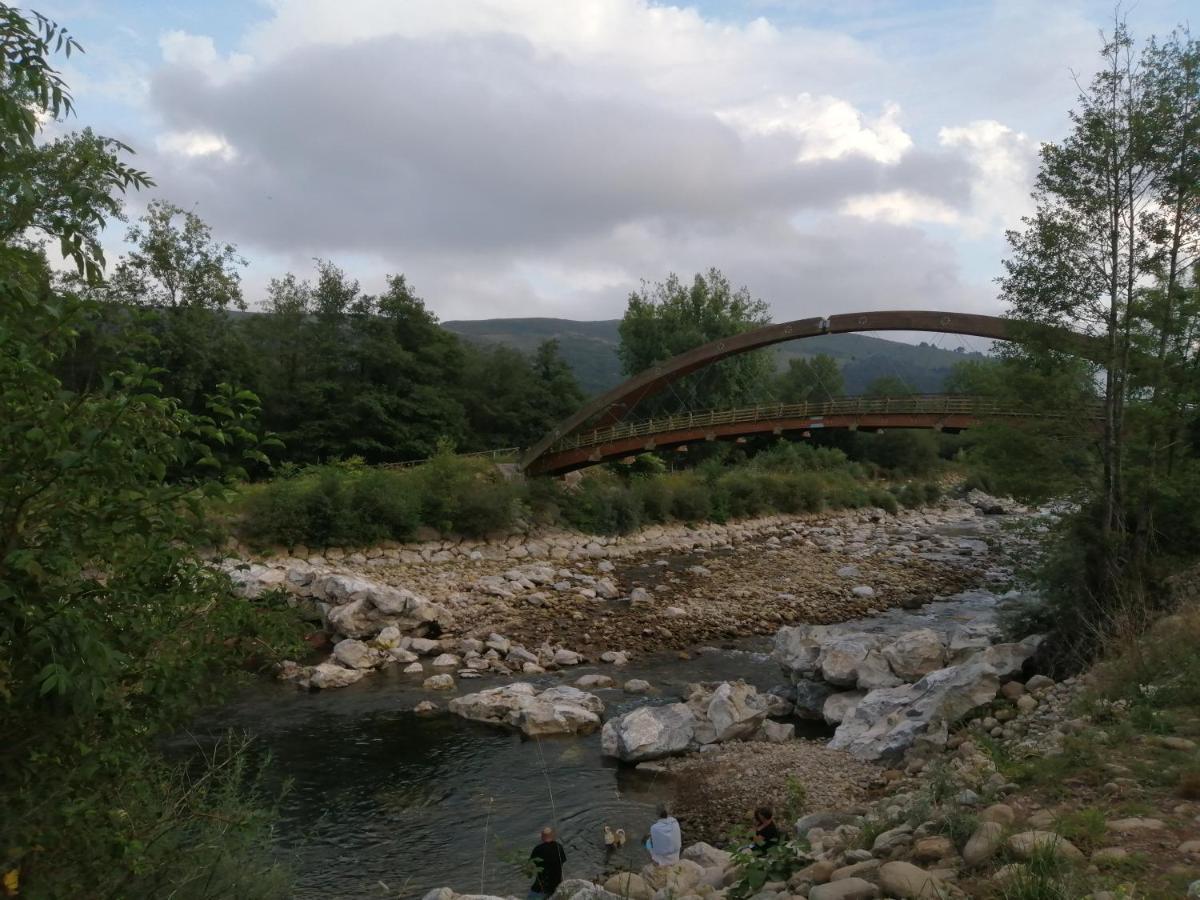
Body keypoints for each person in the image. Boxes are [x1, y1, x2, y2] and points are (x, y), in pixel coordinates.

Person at [528, 827, 567, 899]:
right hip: (556, 885)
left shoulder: (538, 849)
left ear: (542, 837)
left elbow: (530, 867)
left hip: (542, 887)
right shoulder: (559, 847)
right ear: (552, 836)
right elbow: (562, 864)